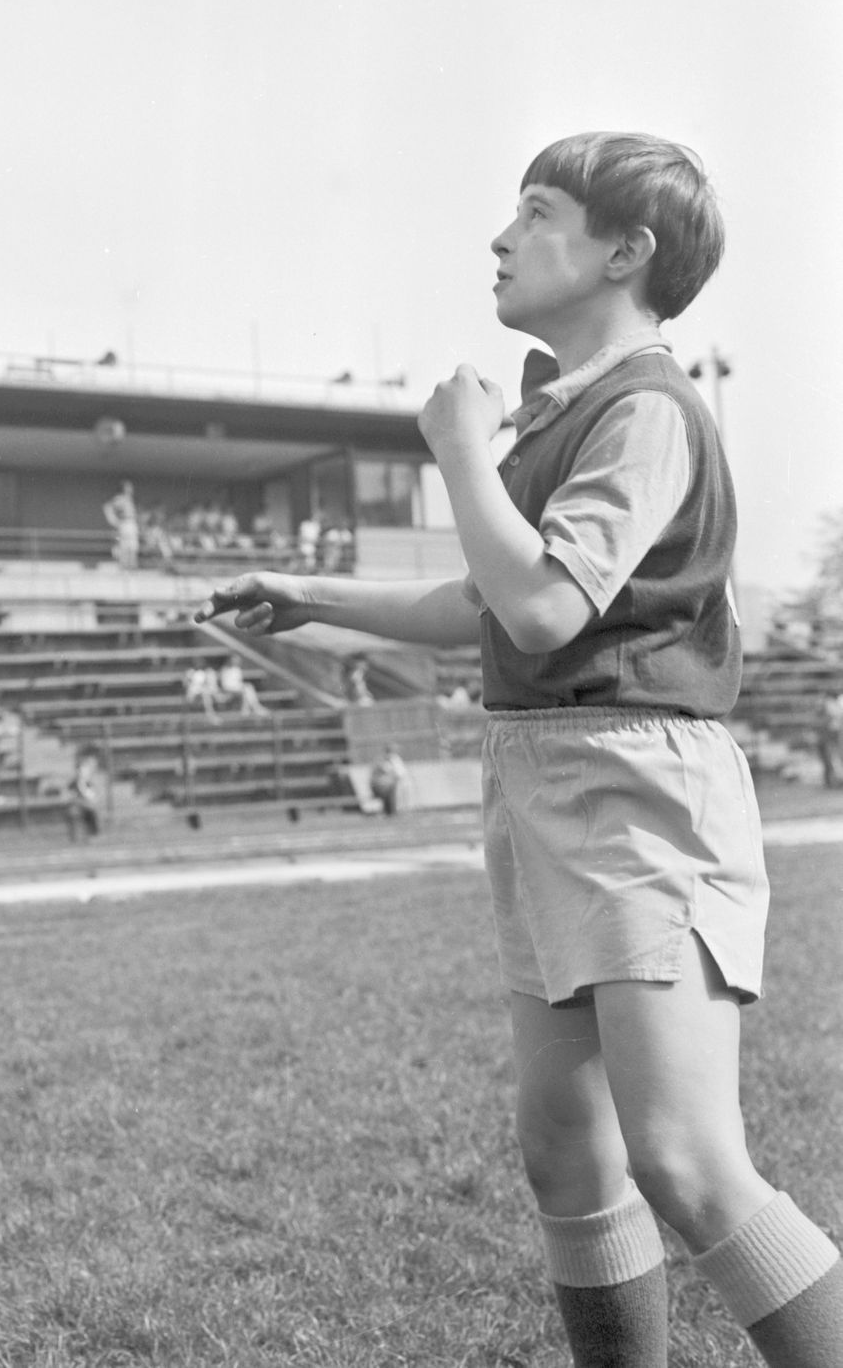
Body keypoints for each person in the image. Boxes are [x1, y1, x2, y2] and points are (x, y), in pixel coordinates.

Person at [197, 135, 843, 1368]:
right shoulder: (562, 414)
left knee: (686, 1162)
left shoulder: (648, 406)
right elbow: (492, 598)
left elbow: (546, 609)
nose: (501, 238)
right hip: (544, 774)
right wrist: (314, 597)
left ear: (624, 250)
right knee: (565, 1151)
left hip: (637, 779)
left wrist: (455, 451)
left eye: (535, 214)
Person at [102, 479, 139, 569]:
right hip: (125, 523)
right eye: (128, 487)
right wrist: (114, 521)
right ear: (124, 488)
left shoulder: (129, 498)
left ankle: (132, 566)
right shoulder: (120, 498)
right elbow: (107, 507)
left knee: (133, 546)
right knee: (125, 546)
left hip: (132, 523)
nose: (131, 489)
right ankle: (124, 566)